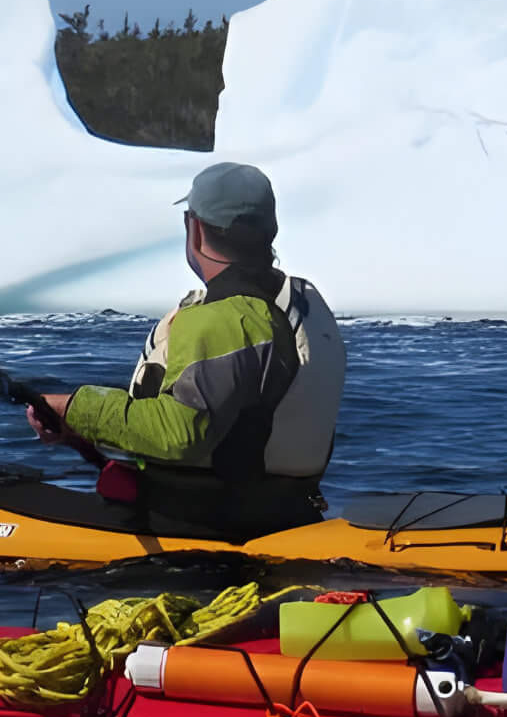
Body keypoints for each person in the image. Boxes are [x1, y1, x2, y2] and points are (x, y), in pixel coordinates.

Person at [30, 161, 345, 537]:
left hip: (199, 530)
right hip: (282, 513)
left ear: (194, 229)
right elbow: (242, 422)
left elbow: (180, 435)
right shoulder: (301, 303)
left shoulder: (226, 318)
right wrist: (77, 431)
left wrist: (74, 406)